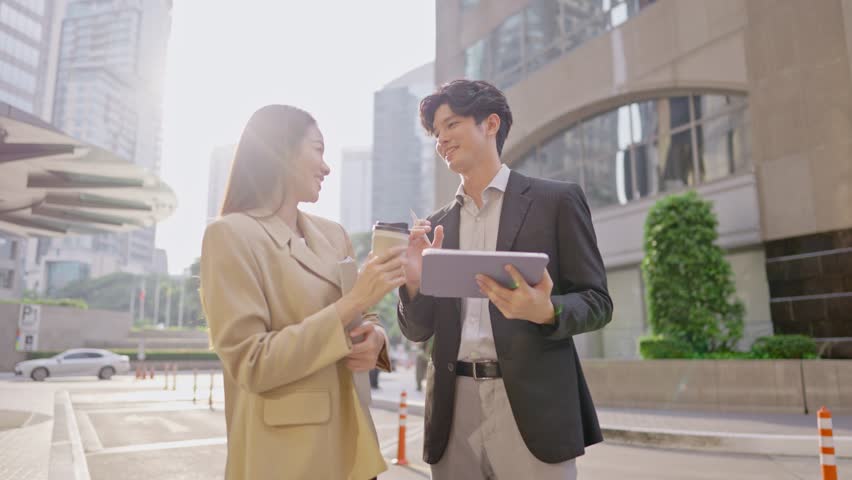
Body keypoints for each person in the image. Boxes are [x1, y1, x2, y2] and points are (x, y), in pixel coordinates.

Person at [398, 80, 613, 479]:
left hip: (533, 407)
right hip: (453, 408)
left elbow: (598, 301)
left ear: (490, 124)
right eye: (436, 133)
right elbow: (417, 330)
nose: (441, 139)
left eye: (451, 124)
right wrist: (413, 284)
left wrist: (548, 310)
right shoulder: (437, 225)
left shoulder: (556, 201)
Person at [200, 105, 405, 479]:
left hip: (355, 448)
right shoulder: (230, 235)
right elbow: (253, 363)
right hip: (286, 459)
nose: (327, 167)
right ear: (280, 151)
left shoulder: (334, 235)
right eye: (318, 150)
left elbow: (361, 319)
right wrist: (355, 300)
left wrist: (374, 339)